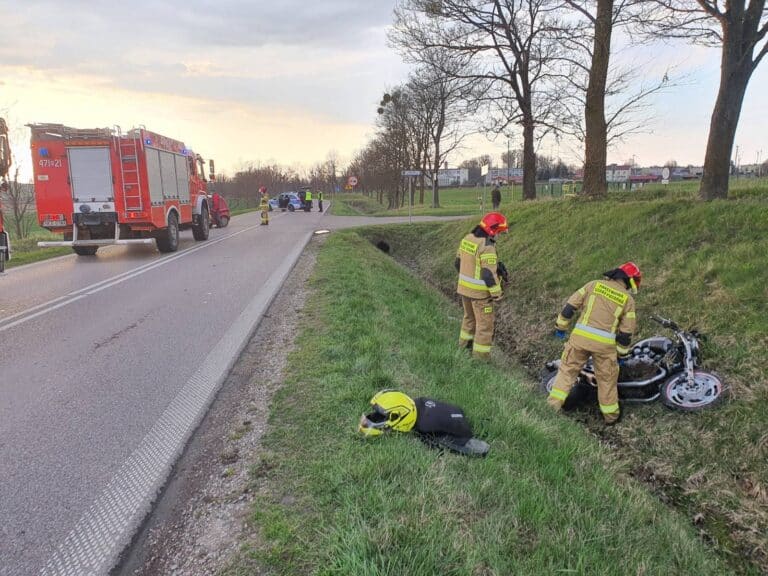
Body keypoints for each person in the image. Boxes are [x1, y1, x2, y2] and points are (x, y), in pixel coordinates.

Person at [546, 262, 642, 424]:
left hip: (579, 340)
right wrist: (621, 353)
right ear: (630, 280)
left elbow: (570, 306)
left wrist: (561, 327)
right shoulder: (627, 299)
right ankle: (611, 417)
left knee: (567, 372)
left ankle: (551, 407)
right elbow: (626, 332)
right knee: (606, 380)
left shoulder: (593, 285)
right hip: (604, 347)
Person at [455, 212, 508, 359]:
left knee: (469, 319)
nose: (499, 236)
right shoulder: (487, 247)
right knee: (484, 327)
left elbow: (458, 263)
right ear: (493, 230)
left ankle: (463, 349)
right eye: (499, 232)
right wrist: (497, 294)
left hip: (464, 291)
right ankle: (480, 360)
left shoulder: (467, 239)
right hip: (480, 296)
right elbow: (487, 275)